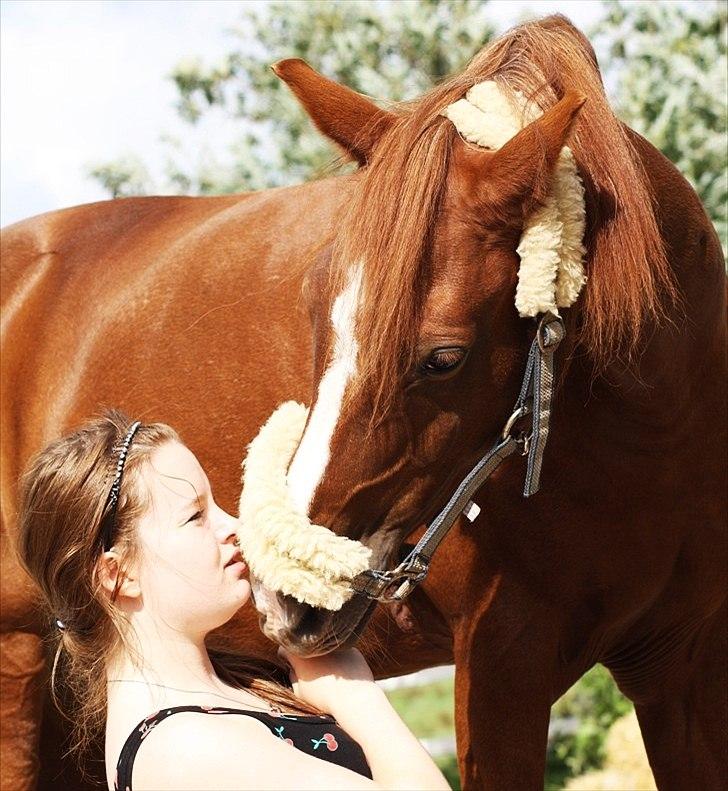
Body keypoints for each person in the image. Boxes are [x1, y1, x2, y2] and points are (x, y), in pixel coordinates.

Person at [16, 410, 451, 791]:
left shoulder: (228, 688)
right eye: (195, 516)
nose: (234, 525)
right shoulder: (184, 747)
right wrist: (357, 697)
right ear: (118, 574)